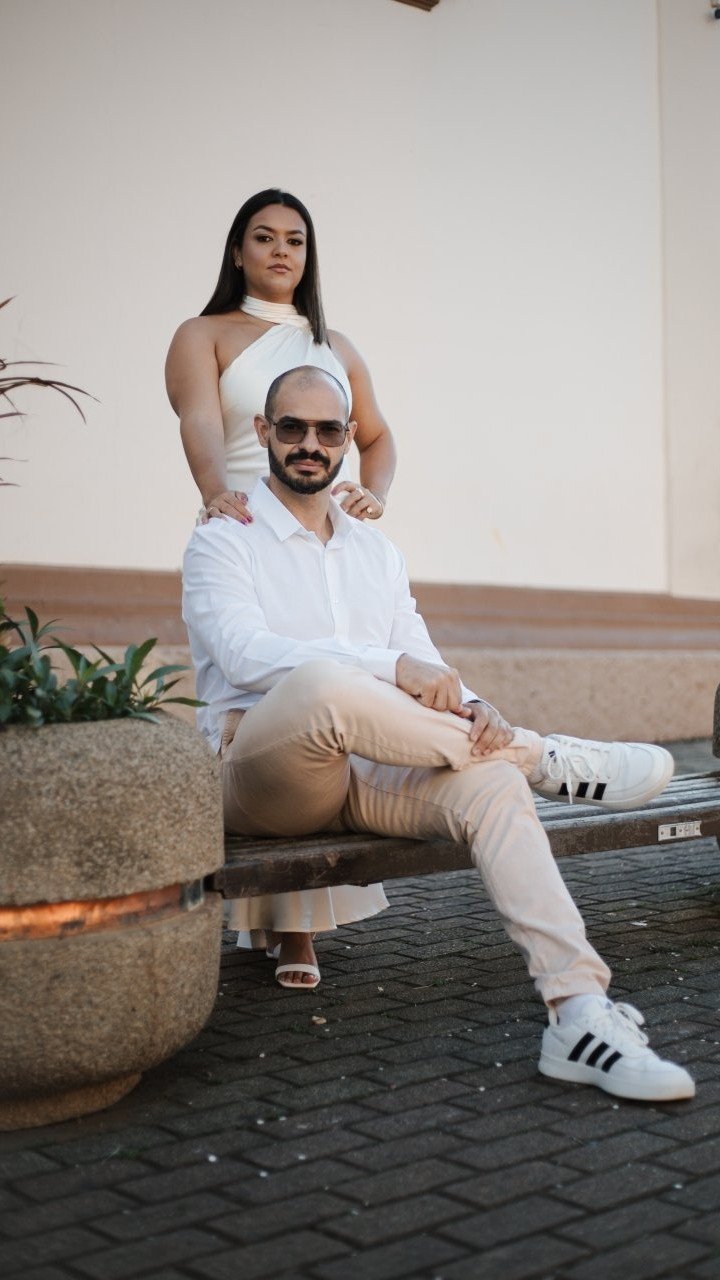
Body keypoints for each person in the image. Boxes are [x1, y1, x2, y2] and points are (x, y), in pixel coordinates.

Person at [182, 365, 695, 1103]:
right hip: (264, 774)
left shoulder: (375, 552)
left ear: (348, 440)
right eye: (292, 427)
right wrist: (388, 666)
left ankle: (579, 1012)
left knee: (493, 785)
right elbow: (243, 654)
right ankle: (541, 756)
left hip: (373, 766)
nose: (309, 444)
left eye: (328, 430)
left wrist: (479, 708)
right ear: (263, 431)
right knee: (324, 684)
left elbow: (426, 662)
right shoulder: (223, 538)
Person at [166, 189, 397, 981]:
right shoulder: (203, 333)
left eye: (295, 240)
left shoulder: (336, 346)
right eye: (263, 237)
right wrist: (212, 494)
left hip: (321, 540)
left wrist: (373, 496)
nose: (280, 251)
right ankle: (277, 919)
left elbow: (376, 435)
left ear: (308, 254)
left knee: (316, 711)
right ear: (238, 250)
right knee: (255, 710)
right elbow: (199, 419)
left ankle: (295, 926)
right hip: (242, 532)